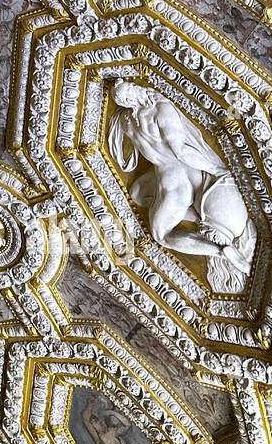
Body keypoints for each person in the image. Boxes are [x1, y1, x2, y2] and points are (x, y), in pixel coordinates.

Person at [108, 79, 255, 293]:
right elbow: (170, 151)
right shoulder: (139, 115)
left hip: (175, 181)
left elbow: (180, 152)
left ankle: (221, 251)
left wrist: (215, 170)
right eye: (127, 98)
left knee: (162, 236)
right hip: (164, 173)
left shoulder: (146, 114)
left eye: (129, 96)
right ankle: (195, 215)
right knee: (137, 193)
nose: (131, 99)